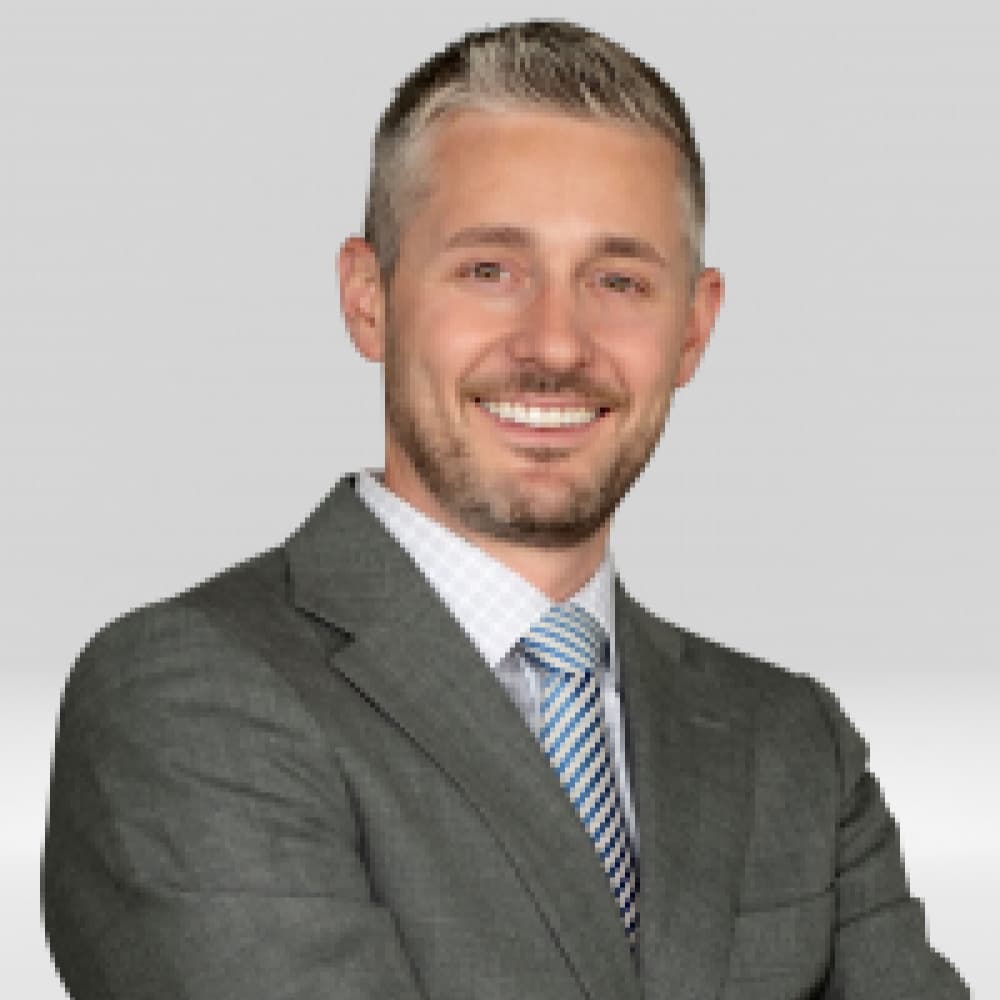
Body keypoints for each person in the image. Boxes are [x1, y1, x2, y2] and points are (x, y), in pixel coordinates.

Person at [41, 18, 970, 1000]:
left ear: (692, 328)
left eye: (618, 280)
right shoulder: (191, 698)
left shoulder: (792, 744)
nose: (557, 344)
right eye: (490, 269)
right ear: (369, 298)